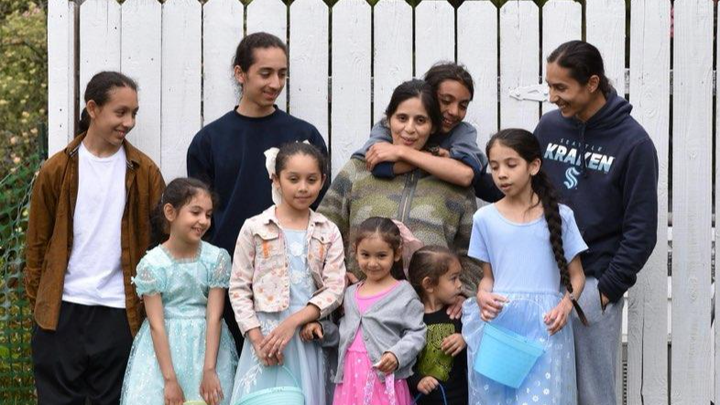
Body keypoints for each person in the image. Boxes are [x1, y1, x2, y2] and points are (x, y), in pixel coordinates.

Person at [24, 71, 165, 404]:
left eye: (134, 113)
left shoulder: (144, 172)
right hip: (61, 312)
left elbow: (160, 246)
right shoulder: (57, 170)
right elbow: (37, 245)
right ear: (93, 108)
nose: (129, 122)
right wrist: (41, 309)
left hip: (119, 314)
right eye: (121, 112)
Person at [187, 32, 329, 353]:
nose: (275, 83)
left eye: (282, 74)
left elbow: (318, 205)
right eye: (265, 73)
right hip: (230, 279)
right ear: (240, 73)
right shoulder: (209, 141)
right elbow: (199, 216)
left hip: (294, 282)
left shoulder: (304, 135)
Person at [536, 40, 659, 405]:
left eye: (561, 87)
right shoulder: (548, 127)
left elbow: (641, 230)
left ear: (592, 83)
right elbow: (521, 185)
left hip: (591, 283)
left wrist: (605, 291)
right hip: (540, 278)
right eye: (550, 86)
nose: (552, 97)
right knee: (539, 388)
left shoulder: (634, 143)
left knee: (592, 394)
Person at [318, 79, 481, 302]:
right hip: (361, 307)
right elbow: (323, 231)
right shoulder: (358, 170)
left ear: (433, 126)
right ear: (389, 120)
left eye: (421, 121)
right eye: (402, 118)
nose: (410, 129)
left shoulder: (453, 182)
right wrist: (336, 276)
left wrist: (463, 293)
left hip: (431, 311)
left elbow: (473, 252)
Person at [463, 128, 588, 405]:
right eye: (495, 167)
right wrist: (482, 295)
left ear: (534, 166)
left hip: (546, 324)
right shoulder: (484, 218)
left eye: (511, 164)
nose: (501, 174)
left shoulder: (561, 216)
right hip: (501, 322)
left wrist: (565, 306)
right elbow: (487, 278)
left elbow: (577, 276)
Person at [228, 142, 345, 405]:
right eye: (293, 179)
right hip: (265, 336)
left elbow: (335, 288)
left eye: (311, 180)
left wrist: (293, 322)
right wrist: (257, 339)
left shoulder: (328, 231)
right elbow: (238, 287)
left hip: (307, 333)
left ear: (322, 180)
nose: (303, 187)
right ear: (276, 179)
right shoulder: (255, 227)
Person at [120, 178, 238, 405]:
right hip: (164, 352)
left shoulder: (216, 259)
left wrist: (210, 369)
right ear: (170, 212)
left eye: (208, 215)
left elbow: (214, 317)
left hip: (207, 347)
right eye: (195, 212)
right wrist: (170, 379)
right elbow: (156, 324)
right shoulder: (153, 264)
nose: (203, 221)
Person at [304, 217, 426, 405]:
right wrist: (321, 329)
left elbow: (417, 332)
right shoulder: (350, 293)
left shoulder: (403, 293)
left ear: (396, 253)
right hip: (351, 380)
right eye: (365, 255)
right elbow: (345, 333)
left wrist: (397, 355)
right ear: (356, 252)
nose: (372, 263)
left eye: (381, 256)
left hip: (383, 379)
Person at [353, 62, 502, 202]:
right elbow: (376, 165)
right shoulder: (389, 126)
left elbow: (466, 175)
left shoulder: (462, 132)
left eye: (463, 106)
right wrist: (440, 161)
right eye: (446, 101)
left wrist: (400, 152)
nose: (454, 111)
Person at [406, 246, 468, 405]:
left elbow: (477, 353)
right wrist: (417, 381)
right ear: (428, 284)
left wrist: (465, 339)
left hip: (459, 400)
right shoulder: (411, 319)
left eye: (459, 277)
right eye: (453, 278)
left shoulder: (458, 313)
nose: (460, 285)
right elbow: (404, 361)